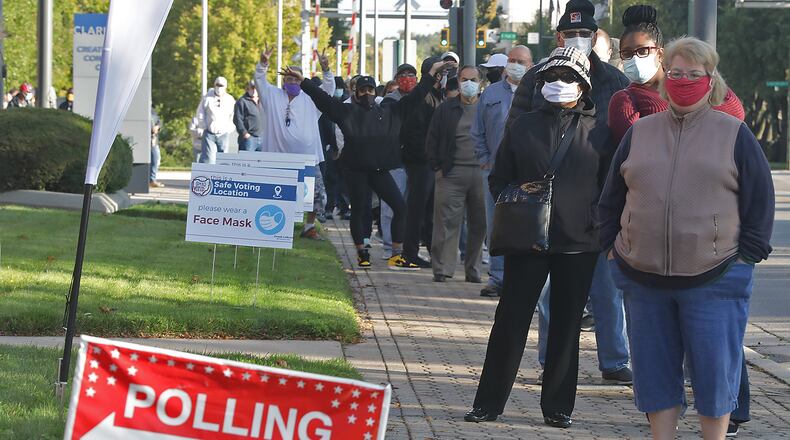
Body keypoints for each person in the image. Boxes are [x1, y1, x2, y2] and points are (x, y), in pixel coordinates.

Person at [598, 36, 774, 440]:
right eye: (675, 72)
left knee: (715, 374)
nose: (683, 80)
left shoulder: (734, 133)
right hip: (642, 279)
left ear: (710, 80)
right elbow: (610, 198)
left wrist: (745, 258)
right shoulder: (640, 133)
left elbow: (760, 201)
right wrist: (613, 250)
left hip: (714, 278)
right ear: (665, 78)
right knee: (654, 374)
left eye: (694, 74)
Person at [466, 46, 612, 429]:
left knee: (566, 326)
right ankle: (488, 404)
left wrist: (597, 223)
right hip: (527, 239)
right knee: (511, 319)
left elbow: (611, 185)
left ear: (583, 85)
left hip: (578, 242)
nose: (558, 84)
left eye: (567, 78)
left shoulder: (600, 130)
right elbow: (499, 178)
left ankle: (558, 408)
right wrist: (516, 201)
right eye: (550, 78)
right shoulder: (524, 124)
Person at [510, 0, 633, 386]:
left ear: (595, 36)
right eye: (571, 32)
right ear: (559, 36)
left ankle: (614, 360)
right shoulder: (536, 78)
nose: (578, 39)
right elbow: (515, 132)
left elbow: (626, 141)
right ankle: (551, 359)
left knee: (607, 289)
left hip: (600, 200)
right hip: (547, 203)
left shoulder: (614, 78)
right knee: (550, 293)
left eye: (586, 33)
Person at [297, 59, 455, 268]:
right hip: (356, 170)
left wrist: (432, 72)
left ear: (375, 92)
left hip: (379, 169)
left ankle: (397, 253)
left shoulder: (390, 112)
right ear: (355, 93)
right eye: (362, 90)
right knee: (360, 209)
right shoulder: (347, 112)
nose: (367, 94)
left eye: (370, 89)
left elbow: (417, 96)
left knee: (400, 207)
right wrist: (303, 82)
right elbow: (324, 100)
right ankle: (362, 252)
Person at [472, 45, 533, 297]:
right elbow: (478, 131)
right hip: (495, 172)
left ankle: (521, 278)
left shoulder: (537, 93)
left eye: (520, 61)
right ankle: (497, 278)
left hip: (527, 174)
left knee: (524, 225)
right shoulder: (491, 94)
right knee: (495, 225)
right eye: (511, 60)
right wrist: (485, 159)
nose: (515, 64)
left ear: (530, 65)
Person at [255, 46, 334, 240]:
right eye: (288, 78)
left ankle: (308, 227)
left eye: (296, 78)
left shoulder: (311, 98)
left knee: (317, 197)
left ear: (302, 80)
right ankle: (278, 227)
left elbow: (329, 89)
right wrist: (263, 64)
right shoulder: (272, 95)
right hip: (277, 160)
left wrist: (326, 70)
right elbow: (259, 81)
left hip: (308, 159)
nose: (292, 82)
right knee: (277, 195)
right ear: (283, 80)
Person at [427, 66, 486, 283]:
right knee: (446, 223)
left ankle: (474, 270)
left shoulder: (487, 107)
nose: (468, 83)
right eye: (464, 79)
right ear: (458, 82)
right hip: (451, 173)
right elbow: (432, 138)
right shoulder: (446, 109)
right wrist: (438, 167)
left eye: (473, 79)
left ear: (480, 82)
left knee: (480, 224)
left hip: (482, 173)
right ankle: (442, 269)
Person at [400, 58, 447, 268]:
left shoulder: (437, 96)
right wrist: (429, 157)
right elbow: (415, 134)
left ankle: (430, 250)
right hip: (421, 163)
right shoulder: (422, 98)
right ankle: (410, 253)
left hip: (431, 162)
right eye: (442, 72)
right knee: (417, 209)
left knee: (429, 211)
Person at [321, 76, 351, 220]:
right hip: (330, 147)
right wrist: (332, 146)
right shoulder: (328, 104)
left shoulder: (347, 103)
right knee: (331, 179)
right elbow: (327, 127)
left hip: (345, 148)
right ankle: (329, 207)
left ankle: (344, 208)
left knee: (343, 181)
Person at [195, 76, 236, 164]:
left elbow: (233, 115)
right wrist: (204, 126)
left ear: (225, 86)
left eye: (221, 85)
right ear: (214, 85)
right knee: (209, 159)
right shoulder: (207, 98)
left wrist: (229, 128)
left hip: (224, 134)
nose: (219, 87)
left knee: (224, 160)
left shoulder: (230, 99)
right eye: (217, 85)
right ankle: (207, 177)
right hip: (210, 134)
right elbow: (200, 113)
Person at [234, 80, 264, 152]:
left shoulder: (262, 101)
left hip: (262, 138)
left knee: (261, 162)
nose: (254, 90)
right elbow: (237, 119)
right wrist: (244, 133)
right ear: (248, 88)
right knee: (246, 161)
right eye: (252, 88)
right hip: (249, 139)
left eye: (256, 88)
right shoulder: (242, 101)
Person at [149, 108, 164, 188]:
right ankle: (151, 180)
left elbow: (159, 121)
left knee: (156, 159)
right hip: (145, 139)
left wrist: (157, 127)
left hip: (153, 140)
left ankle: (152, 180)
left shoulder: (152, 110)